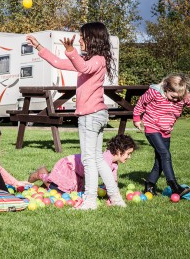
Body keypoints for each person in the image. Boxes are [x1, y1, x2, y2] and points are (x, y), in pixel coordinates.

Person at [26, 22, 125, 209]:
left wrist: (71, 51)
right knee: (96, 158)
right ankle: (116, 198)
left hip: (91, 116)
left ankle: (89, 201)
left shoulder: (97, 60)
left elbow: (84, 69)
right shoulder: (89, 60)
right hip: (96, 115)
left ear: (92, 38)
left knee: (89, 159)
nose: (79, 39)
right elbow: (58, 62)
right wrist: (38, 46)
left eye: (82, 36)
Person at [133, 73, 190, 197]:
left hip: (166, 130)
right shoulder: (155, 93)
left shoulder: (183, 96)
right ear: (167, 89)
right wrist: (137, 118)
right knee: (165, 154)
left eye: (178, 98)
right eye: (173, 97)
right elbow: (141, 103)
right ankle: (174, 186)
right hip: (152, 127)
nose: (176, 100)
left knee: (160, 160)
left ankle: (149, 186)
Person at [28, 135, 137, 194]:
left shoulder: (114, 164)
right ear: (119, 150)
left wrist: (112, 196)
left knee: (71, 193)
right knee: (61, 193)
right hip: (70, 165)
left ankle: (49, 183)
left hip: (78, 173)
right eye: (128, 153)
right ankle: (42, 174)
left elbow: (112, 182)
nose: (129, 157)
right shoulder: (104, 159)